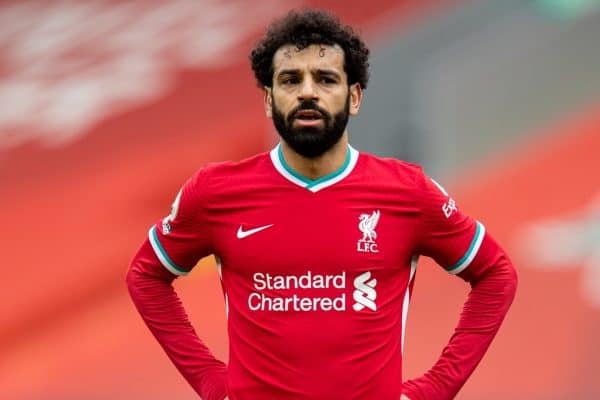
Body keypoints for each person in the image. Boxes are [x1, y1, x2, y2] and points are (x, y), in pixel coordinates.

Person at [126, 8, 518, 400]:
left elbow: (496, 274)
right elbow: (145, 276)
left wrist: (435, 388)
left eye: (326, 79)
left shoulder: (407, 191)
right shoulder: (215, 192)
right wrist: (211, 382)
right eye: (290, 79)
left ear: (354, 96)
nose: (308, 92)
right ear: (268, 98)